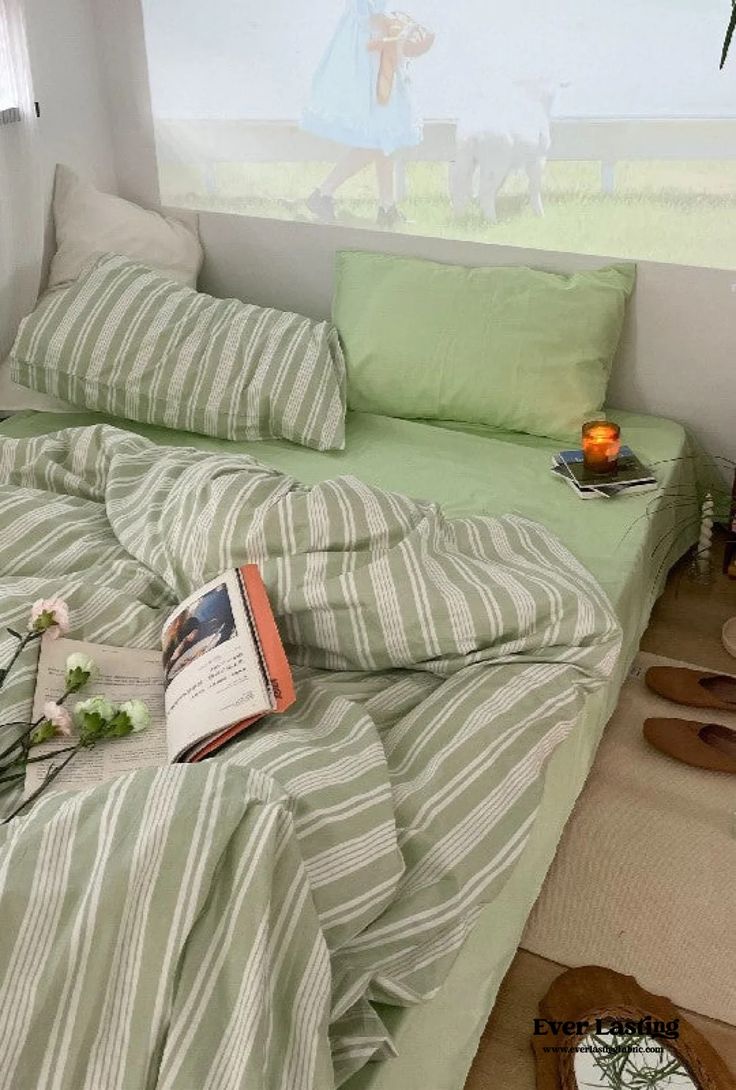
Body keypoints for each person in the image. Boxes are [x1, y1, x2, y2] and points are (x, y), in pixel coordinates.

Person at [301, 1, 431, 228]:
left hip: (377, 53)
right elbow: (370, 16)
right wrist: (405, 30)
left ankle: (386, 208)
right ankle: (324, 193)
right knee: (377, 137)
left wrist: (401, 26)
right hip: (370, 59)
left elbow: (378, 14)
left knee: (383, 136)